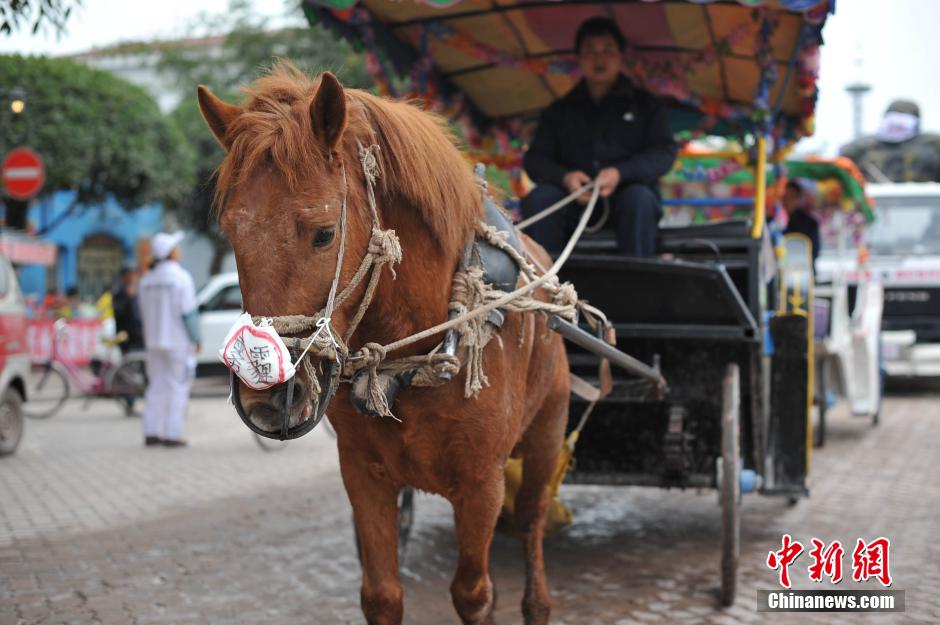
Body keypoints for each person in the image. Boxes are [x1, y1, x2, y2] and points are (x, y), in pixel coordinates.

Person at [521, 17, 678, 257]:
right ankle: (542, 286)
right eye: (590, 51)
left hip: (626, 201)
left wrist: (621, 173)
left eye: (607, 50)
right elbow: (535, 160)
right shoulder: (559, 111)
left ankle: (638, 287)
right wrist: (565, 178)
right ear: (579, 58)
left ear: (620, 56)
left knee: (640, 199)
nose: (599, 58)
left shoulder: (646, 106)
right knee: (540, 199)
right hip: (572, 202)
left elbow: (664, 152)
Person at [138, 232, 201, 447]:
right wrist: (196, 338)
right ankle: (173, 434)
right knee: (177, 386)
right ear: (171, 253)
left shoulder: (146, 281)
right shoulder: (181, 278)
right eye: (177, 246)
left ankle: (151, 431)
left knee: (155, 385)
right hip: (177, 342)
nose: (179, 250)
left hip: (152, 342)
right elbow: (189, 313)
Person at [840, 99, 940, 183]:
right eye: (892, 125)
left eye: (901, 126)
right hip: (875, 202)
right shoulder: (860, 148)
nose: (896, 129)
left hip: (922, 203)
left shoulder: (933, 147)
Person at [782, 179, 820, 268]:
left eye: (791, 197)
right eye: (784, 197)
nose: (787, 201)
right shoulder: (771, 221)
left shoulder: (810, 223)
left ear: (798, 199)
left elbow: (814, 252)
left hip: (802, 274)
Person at [111, 267, 144, 354]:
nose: (132, 277)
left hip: (141, 336)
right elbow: (119, 314)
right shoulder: (118, 294)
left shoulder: (141, 292)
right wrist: (129, 299)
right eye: (129, 275)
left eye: (134, 274)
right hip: (126, 337)